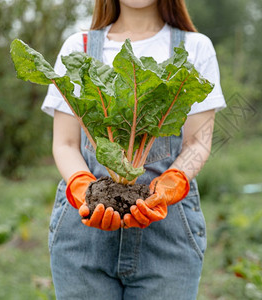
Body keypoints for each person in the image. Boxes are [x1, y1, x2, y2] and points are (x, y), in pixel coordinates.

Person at [42, 0, 226, 299]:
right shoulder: (79, 46)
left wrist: (172, 182)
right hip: (83, 237)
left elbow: (198, 142)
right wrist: (82, 188)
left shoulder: (195, 47)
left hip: (168, 236)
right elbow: (65, 144)